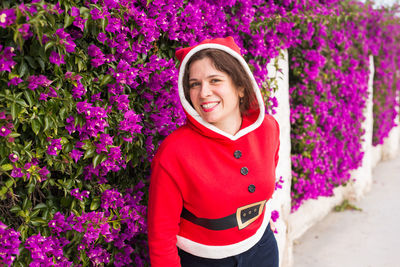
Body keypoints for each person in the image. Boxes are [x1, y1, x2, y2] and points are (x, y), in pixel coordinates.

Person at [147, 36, 280, 267]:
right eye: (195, 84)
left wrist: (263, 220)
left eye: (215, 80)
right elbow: (161, 235)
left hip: (262, 249)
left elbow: (265, 184)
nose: (204, 93)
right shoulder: (174, 151)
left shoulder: (268, 128)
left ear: (240, 86)